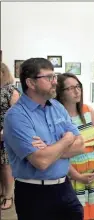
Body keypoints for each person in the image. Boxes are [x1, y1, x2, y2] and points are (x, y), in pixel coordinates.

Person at [3, 58, 85, 220]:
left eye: (54, 77)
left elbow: (81, 144)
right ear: (31, 83)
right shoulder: (16, 116)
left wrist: (49, 149)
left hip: (65, 187)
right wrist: (67, 139)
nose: (55, 82)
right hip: (34, 194)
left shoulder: (57, 107)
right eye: (48, 78)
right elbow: (41, 162)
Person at [56, 73, 94, 220]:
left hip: (92, 173)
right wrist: (76, 176)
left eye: (78, 86)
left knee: (91, 211)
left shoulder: (88, 111)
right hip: (72, 176)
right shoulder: (58, 116)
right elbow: (58, 153)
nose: (77, 91)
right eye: (71, 88)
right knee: (75, 213)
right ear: (61, 93)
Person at [0, 63, 20, 210]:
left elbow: (16, 115)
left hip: (4, 134)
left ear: (3, 73)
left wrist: (4, 131)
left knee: (6, 165)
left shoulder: (11, 90)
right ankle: (2, 192)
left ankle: (8, 196)